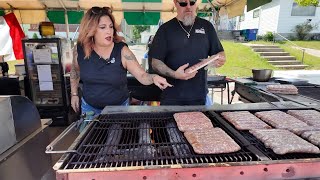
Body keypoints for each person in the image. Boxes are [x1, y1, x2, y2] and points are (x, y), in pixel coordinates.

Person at [70, 7, 172, 123]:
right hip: (89, 109)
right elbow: (75, 71)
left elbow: (142, 76)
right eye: (103, 27)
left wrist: (154, 77)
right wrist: (74, 94)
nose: (109, 31)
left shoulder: (122, 51)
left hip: (118, 109)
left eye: (111, 26)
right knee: (89, 140)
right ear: (90, 29)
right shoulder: (79, 50)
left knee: (115, 139)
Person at [149, 0, 226, 105]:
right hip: (171, 96)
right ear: (176, 3)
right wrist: (174, 74)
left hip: (199, 96)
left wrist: (220, 60)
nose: (188, 7)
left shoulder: (207, 26)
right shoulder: (165, 29)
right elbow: (155, 63)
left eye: (192, 2)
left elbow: (219, 53)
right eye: (183, 3)